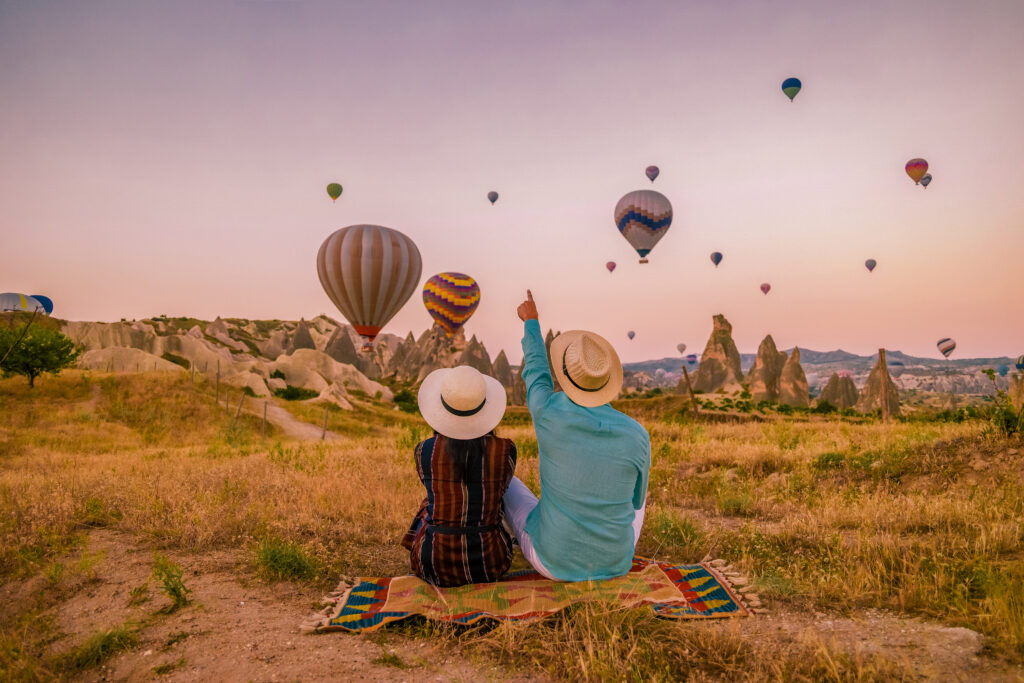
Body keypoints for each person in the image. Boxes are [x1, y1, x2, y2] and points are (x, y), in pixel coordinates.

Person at [503, 290, 651, 581]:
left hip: (552, 562)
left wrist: (531, 321)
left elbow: (535, 373)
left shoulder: (548, 412)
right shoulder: (637, 434)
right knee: (640, 495)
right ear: (608, 381)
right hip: (616, 563)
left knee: (507, 482)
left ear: (565, 375)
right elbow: (635, 503)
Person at [402, 365, 517, 587]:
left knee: (429, 502)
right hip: (491, 563)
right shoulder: (505, 450)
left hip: (433, 564)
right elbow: (501, 489)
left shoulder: (424, 451)